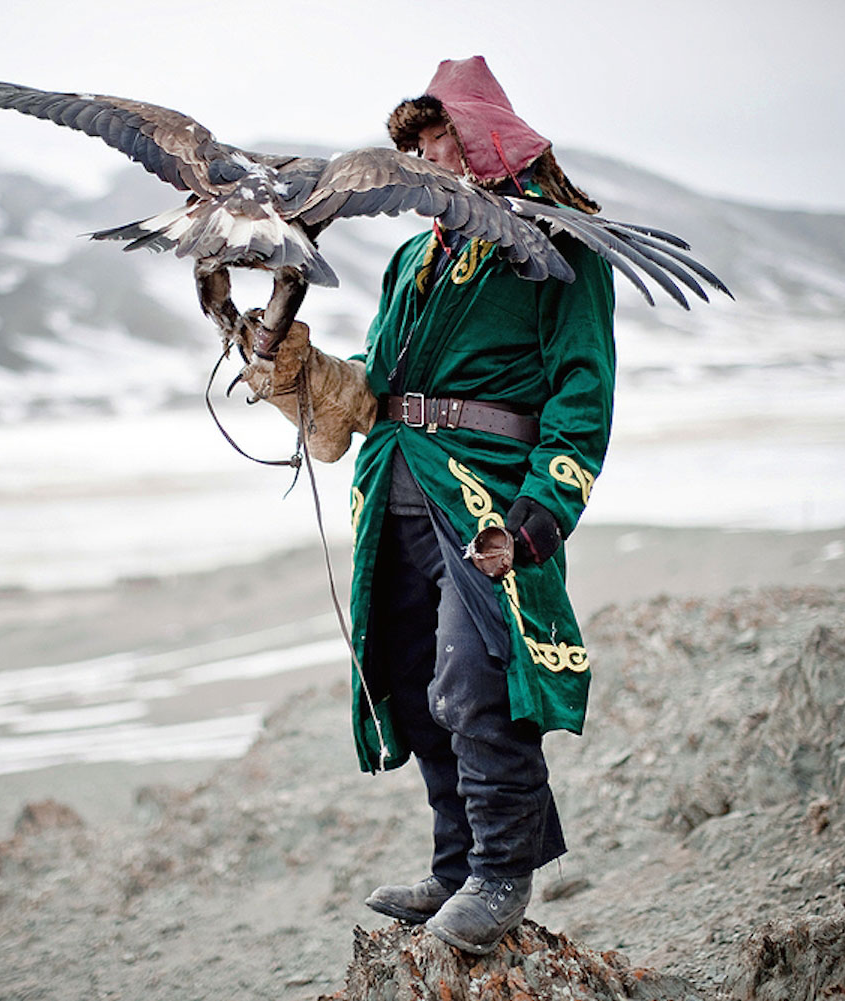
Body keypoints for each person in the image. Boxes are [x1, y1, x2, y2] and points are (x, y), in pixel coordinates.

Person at [235, 55, 615, 955]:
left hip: (485, 492)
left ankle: (498, 876)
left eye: (439, 135)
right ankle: (454, 863)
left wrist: (538, 517)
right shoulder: (414, 258)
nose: (425, 158)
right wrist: (295, 362)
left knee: (474, 678)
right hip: (397, 483)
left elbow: (580, 400)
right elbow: (379, 388)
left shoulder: (559, 244)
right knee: (412, 683)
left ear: (484, 132)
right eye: (413, 142)